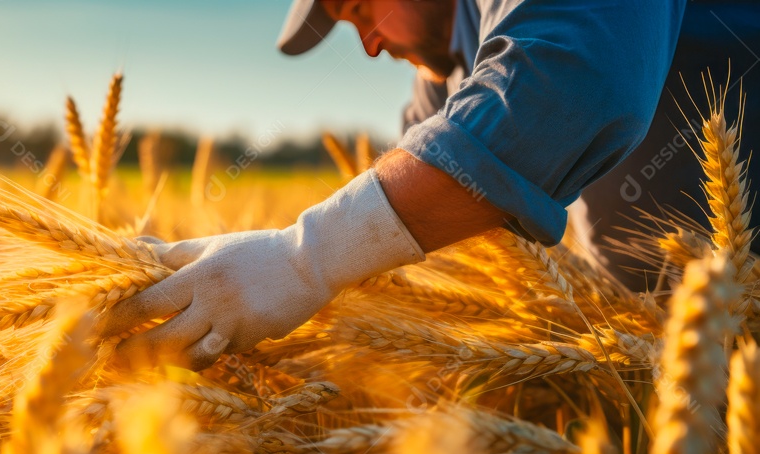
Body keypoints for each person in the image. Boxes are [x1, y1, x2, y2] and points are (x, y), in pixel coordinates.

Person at [101, 0, 759, 371]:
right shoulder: (445, 70)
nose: (367, 47)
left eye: (359, 9)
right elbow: (405, 203)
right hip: (690, 363)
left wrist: (306, 257)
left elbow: (571, 78)